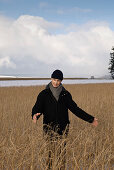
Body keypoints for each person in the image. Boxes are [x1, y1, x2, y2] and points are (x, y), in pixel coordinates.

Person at [31, 69, 98, 169]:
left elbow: (75, 109)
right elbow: (37, 107)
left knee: (62, 154)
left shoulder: (65, 94)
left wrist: (91, 119)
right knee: (50, 153)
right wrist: (35, 115)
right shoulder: (44, 94)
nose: (56, 82)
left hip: (63, 128)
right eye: (54, 79)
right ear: (51, 78)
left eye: (58, 80)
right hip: (48, 127)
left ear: (61, 81)